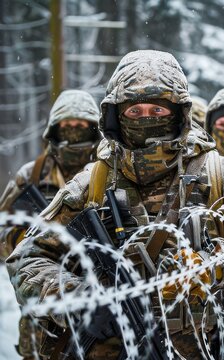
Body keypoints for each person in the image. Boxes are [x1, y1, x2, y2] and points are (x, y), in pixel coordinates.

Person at [7, 50, 224, 359]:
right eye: (135, 111)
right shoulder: (92, 182)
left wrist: (211, 265)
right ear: (115, 116)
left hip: (199, 345)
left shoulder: (217, 174)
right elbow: (27, 257)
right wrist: (77, 296)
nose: (146, 118)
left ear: (178, 114)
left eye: (158, 111)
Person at [0, 89, 101, 360]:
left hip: (93, 298)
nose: (74, 132)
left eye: (81, 126)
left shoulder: (105, 175)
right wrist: (35, 239)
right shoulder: (30, 176)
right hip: (40, 311)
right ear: (54, 130)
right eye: (67, 126)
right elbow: (4, 233)